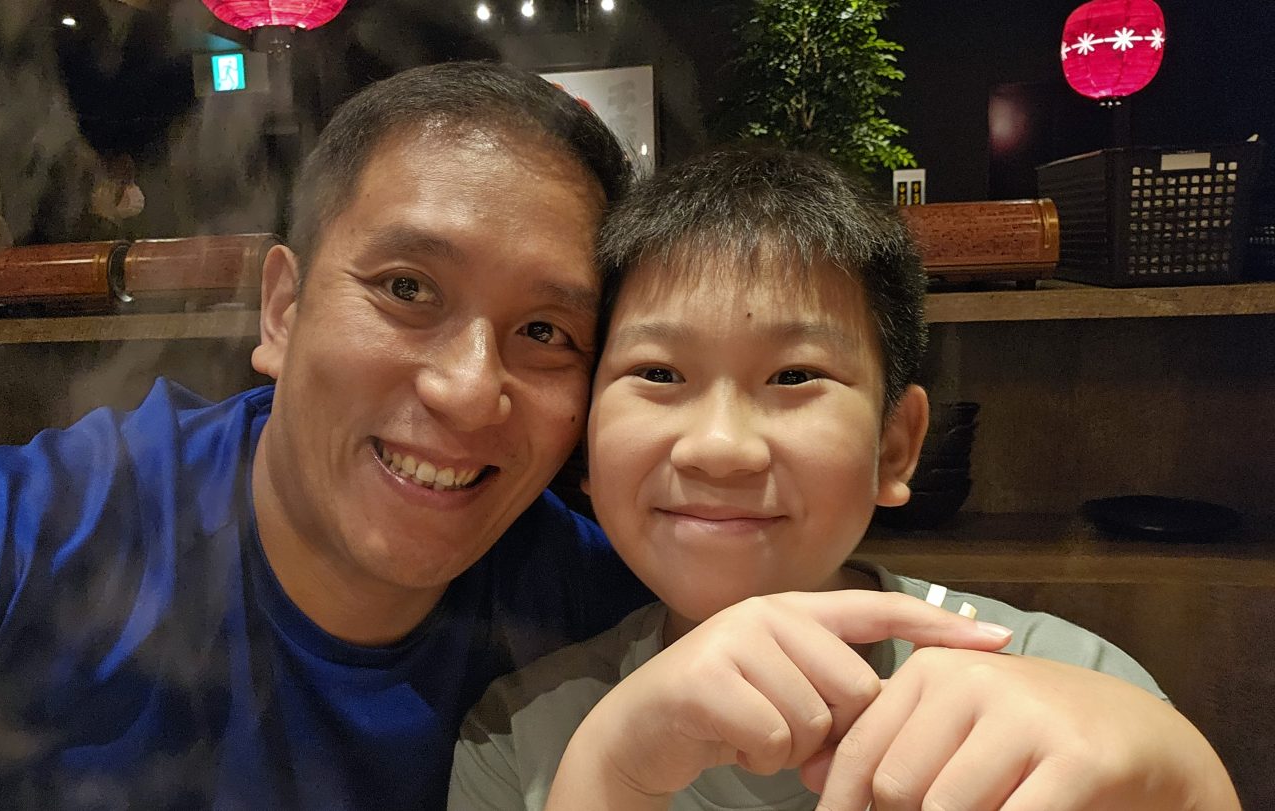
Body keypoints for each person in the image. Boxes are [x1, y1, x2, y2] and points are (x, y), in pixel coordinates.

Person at [0, 61, 662, 810]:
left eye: (546, 331)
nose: (470, 391)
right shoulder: (34, 538)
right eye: (407, 287)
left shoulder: (599, 612)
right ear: (283, 311)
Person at [448, 147, 1240, 810]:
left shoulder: (1071, 689)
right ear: (587, 444)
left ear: (895, 448)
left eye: (794, 376)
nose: (719, 448)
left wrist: (1192, 781)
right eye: (658, 372)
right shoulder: (519, 739)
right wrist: (610, 774)